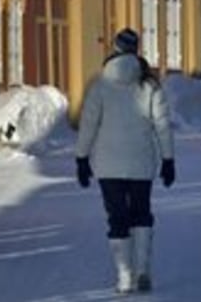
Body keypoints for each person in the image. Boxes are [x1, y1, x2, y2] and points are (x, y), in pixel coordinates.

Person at [75, 28, 176, 294]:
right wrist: (168, 159)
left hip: (108, 165)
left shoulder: (100, 85)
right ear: (136, 49)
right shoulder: (149, 85)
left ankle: (124, 276)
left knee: (117, 218)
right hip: (141, 162)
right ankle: (143, 270)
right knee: (141, 213)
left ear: (115, 48)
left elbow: (88, 125)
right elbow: (163, 125)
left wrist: (81, 158)